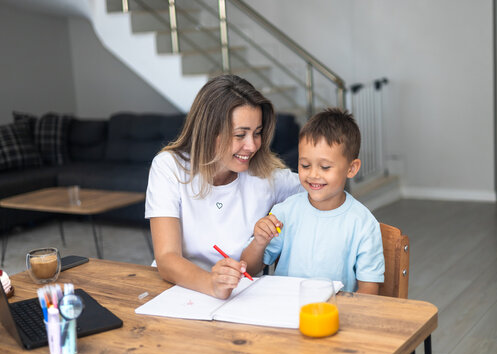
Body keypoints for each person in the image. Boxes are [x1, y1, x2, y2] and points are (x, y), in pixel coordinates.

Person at [145, 75, 302, 299]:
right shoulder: (169, 167)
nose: (252, 145)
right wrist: (211, 284)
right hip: (177, 292)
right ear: (209, 132)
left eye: (257, 133)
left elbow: (322, 188)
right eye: (240, 135)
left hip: (240, 296)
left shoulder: (266, 176)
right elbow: (167, 257)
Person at [241, 108, 385, 294]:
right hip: (285, 311)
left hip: (333, 315)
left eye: (325, 167)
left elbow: (369, 289)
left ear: (351, 168)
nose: (313, 174)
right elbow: (249, 269)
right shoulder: (285, 212)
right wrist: (259, 241)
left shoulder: (363, 223)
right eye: (305, 165)